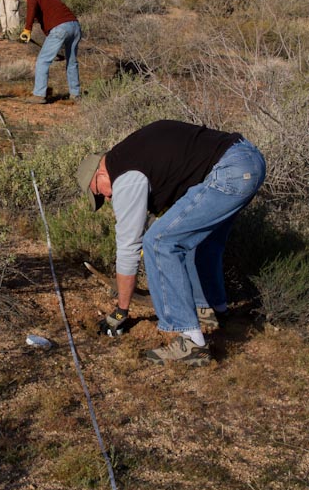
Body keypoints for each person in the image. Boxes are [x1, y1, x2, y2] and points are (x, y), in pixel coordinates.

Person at [76, 120, 266, 366]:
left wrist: (121, 311)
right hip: (249, 159)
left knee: (158, 242)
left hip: (230, 171)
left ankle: (191, 342)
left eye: (100, 192)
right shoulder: (134, 154)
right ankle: (210, 310)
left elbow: (129, 247)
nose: (108, 197)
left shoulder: (125, 176)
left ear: (100, 173)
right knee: (198, 241)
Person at [19, 0, 82, 104]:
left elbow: (31, 8)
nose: (26, 0)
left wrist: (27, 29)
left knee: (43, 61)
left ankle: (39, 95)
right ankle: (75, 94)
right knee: (72, 62)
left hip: (61, 28)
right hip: (75, 26)